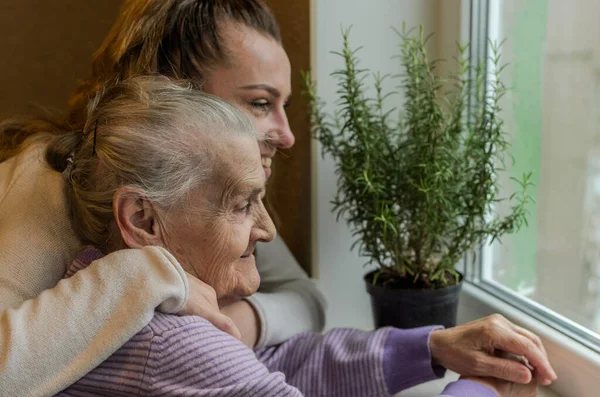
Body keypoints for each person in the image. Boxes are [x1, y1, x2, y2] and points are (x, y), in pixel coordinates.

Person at [0, 0, 555, 396]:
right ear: (167, 97)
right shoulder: (44, 195)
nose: (287, 135)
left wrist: (429, 346)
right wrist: (484, 391)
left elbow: (293, 322)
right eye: (260, 102)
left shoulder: (175, 222)